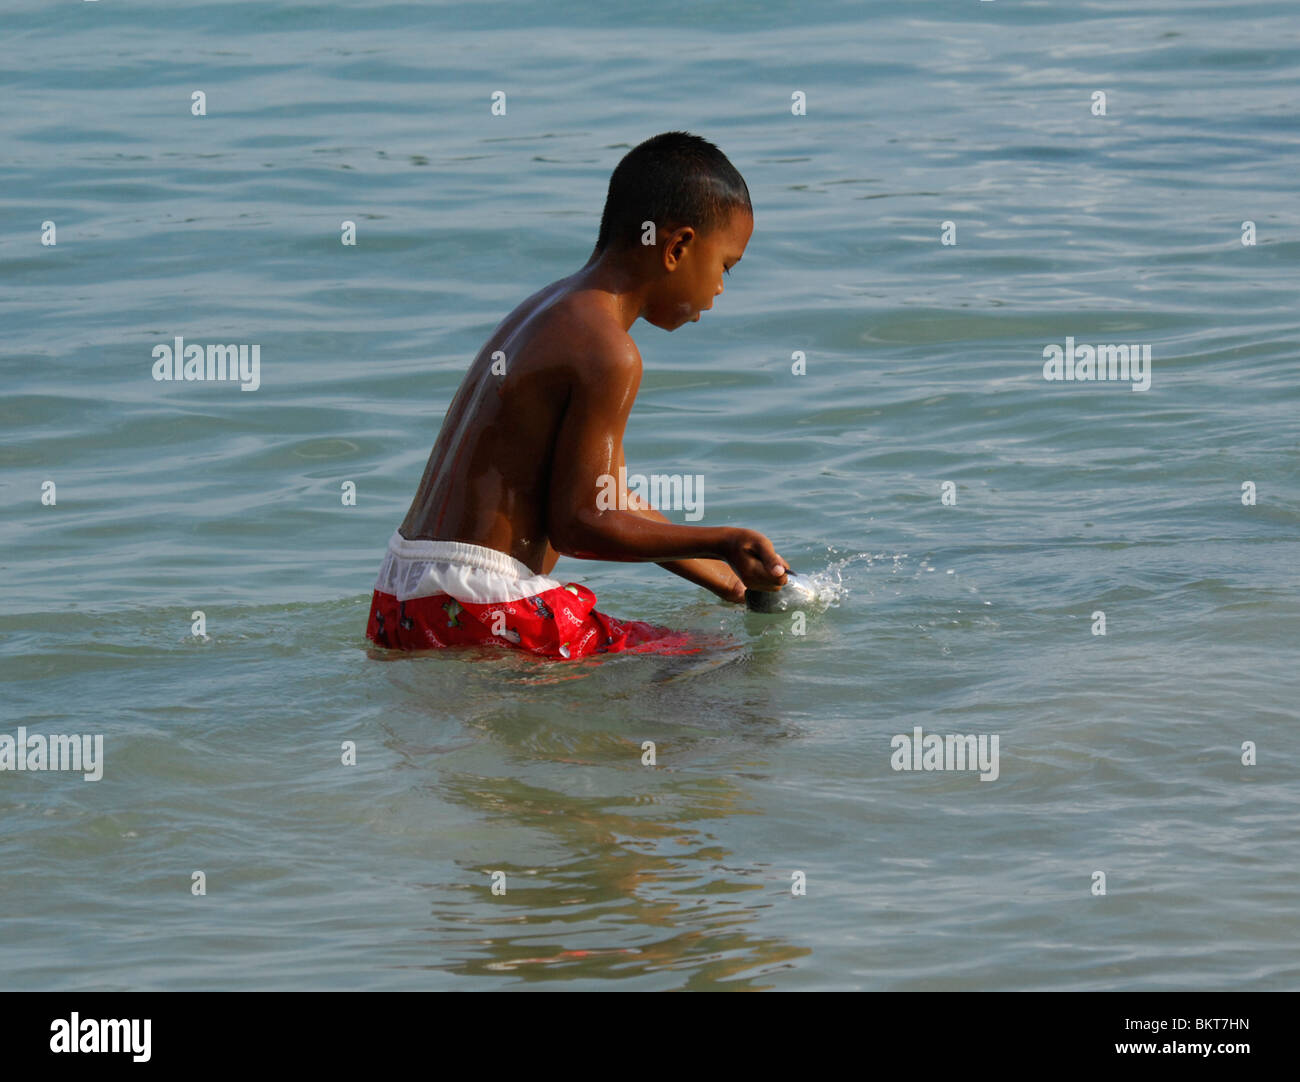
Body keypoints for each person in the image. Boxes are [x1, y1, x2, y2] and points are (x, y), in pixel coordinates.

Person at [365, 131, 789, 660]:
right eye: (725, 266)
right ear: (677, 247)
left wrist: (728, 581)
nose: (721, 289)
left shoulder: (548, 311)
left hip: (403, 596)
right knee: (718, 665)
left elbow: (608, 501)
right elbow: (579, 526)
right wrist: (721, 539)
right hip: (485, 604)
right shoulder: (611, 352)